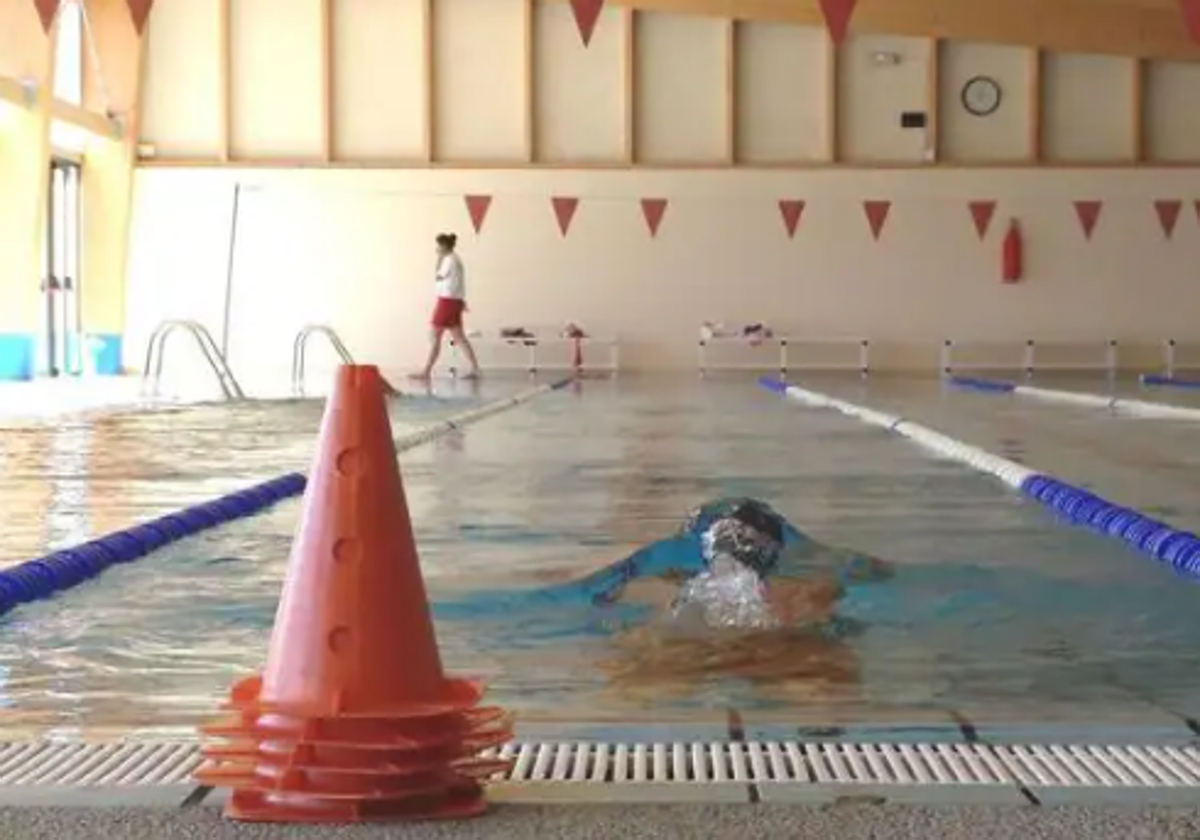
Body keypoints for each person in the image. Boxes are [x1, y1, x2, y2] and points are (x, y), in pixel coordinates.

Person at [413, 233, 481, 380]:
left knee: (434, 335)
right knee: (459, 337)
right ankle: (476, 369)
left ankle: (426, 372)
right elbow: (456, 283)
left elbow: (438, 276)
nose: (436, 249)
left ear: (443, 246)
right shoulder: (455, 259)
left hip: (447, 302)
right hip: (453, 301)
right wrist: (461, 301)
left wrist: (439, 258)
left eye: (438, 246)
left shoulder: (449, 260)